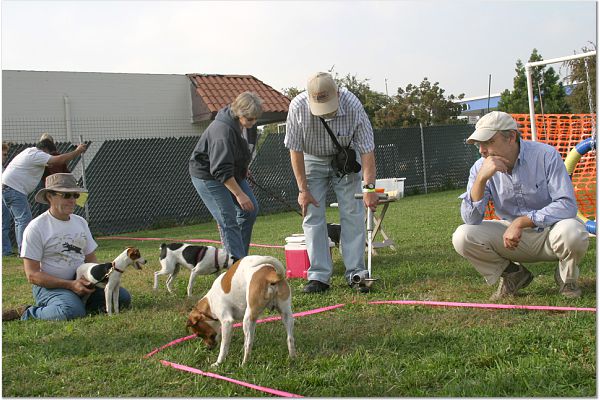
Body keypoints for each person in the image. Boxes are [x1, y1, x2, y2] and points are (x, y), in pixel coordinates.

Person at [452, 111, 589, 300]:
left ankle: (567, 278)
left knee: (573, 231)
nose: (482, 150)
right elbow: (470, 219)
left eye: (489, 142)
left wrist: (522, 222)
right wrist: (481, 180)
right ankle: (513, 275)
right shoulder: (479, 167)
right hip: (511, 239)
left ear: (511, 137)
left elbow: (567, 205)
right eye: (479, 144)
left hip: (551, 232)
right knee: (462, 236)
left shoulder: (545, 155)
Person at [284, 72, 379, 294]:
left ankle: (356, 273)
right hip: (311, 158)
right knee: (312, 215)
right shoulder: (297, 107)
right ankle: (318, 276)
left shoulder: (353, 105)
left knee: (352, 213)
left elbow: (367, 150)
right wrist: (303, 190)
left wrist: (369, 189)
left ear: (338, 93)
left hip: (344, 160)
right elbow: (295, 151)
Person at [2, 173, 132, 321]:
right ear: (49, 196)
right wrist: (70, 285)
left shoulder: (80, 222)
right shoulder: (36, 227)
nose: (72, 200)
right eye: (66, 195)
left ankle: (78, 304)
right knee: (71, 312)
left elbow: (91, 259)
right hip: (51, 288)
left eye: (75, 195)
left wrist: (94, 280)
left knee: (123, 298)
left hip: (83, 281)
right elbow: (32, 275)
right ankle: (26, 312)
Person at [189, 91, 263, 261]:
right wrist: (239, 194)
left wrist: (242, 168)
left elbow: (242, 151)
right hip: (208, 175)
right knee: (227, 218)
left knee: (250, 212)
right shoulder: (222, 131)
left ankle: (239, 258)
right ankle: (233, 266)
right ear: (239, 113)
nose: (254, 122)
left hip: (230, 172)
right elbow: (220, 169)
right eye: (250, 119)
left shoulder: (248, 124)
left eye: (255, 118)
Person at [2, 138, 87, 256]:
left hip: (8, 188)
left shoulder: (29, 153)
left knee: (15, 221)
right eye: (49, 154)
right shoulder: (36, 154)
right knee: (23, 220)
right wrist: (78, 151)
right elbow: (58, 160)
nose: (49, 158)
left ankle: (7, 251)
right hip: (14, 189)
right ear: (45, 150)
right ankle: (24, 252)